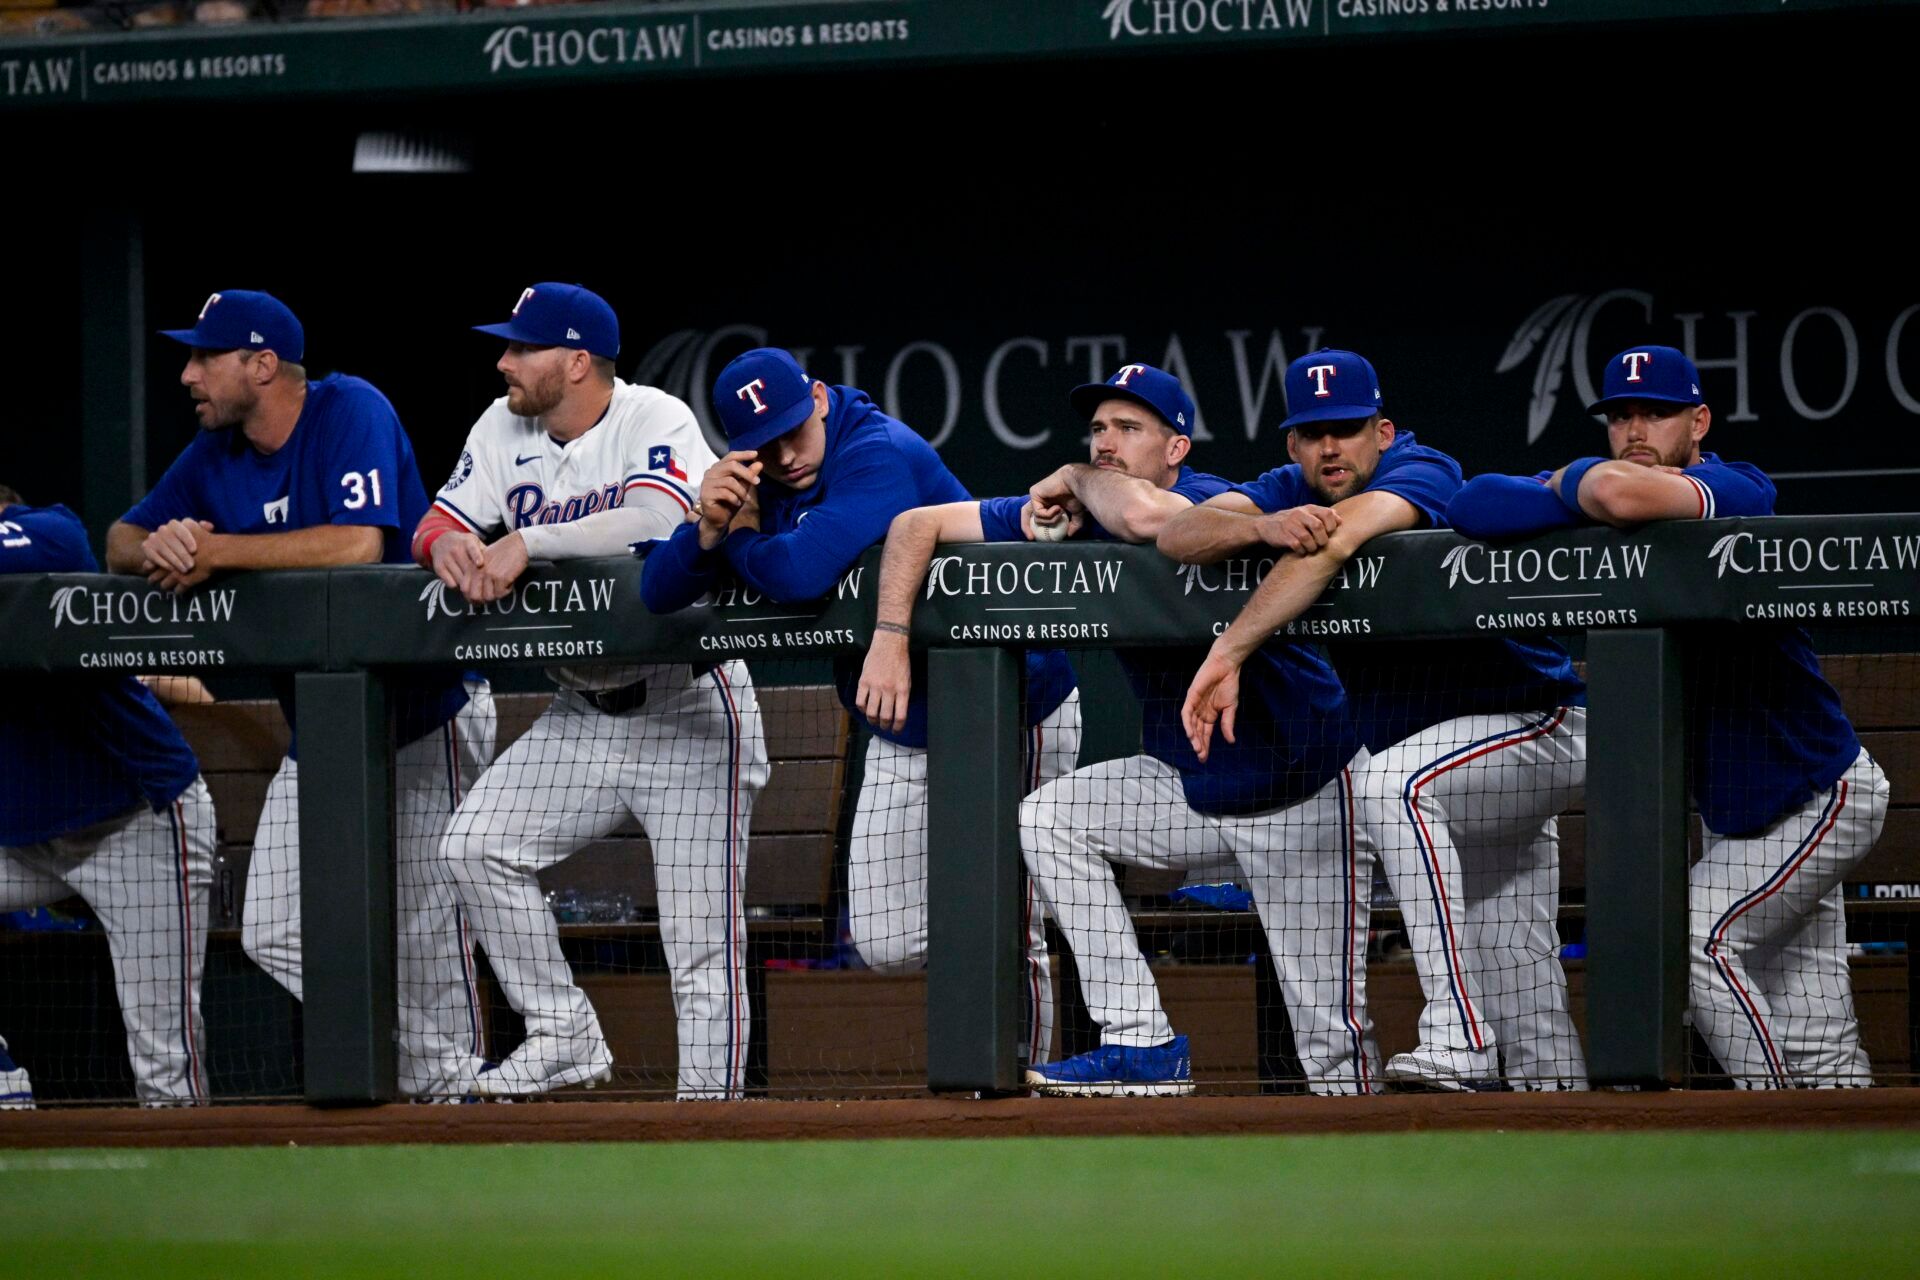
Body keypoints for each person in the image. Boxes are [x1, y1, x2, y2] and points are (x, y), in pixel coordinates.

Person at [1449, 344, 1889, 1088]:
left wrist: (1566, 483)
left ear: (1699, 421)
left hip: (1819, 792)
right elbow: (1471, 503)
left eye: (1656, 412)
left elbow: (1624, 498)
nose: (1636, 428)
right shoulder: (1602, 493)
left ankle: (1763, 1115)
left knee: (1693, 941)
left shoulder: (1739, 486)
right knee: (1819, 1032)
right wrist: (1584, 487)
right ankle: (1824, 1150)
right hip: (1738, 815)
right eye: (1620, 416)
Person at [1162, 349, 1590, 1092]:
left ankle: (1456, 1033)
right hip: (1464, 774)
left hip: (1535, 721)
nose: (1332, 447)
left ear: (1383, 432)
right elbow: (1180, 536)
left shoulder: (1423, 469)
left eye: (1350, 429)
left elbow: (1334, 539)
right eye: (1314, 432)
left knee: (1393, 784)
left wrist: (1229, 650)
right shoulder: (1284, 490)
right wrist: (1263, 528)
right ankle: (1575, 1145)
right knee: (1526, 993)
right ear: (1293, 445)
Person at [641, 347, 1080, 1066]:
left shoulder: (877, 450)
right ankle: (995, 942)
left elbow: (801, 573)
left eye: (793, 431)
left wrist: (745, 537)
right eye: (763, 444)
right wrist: (707, 529)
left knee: (1017, 922)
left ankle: (1013, 1092)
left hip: (1010, 704)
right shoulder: (752, 476)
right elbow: (656, 594)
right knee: (881, 936)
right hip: (904, 720)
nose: (784, 457)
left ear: (818, 397)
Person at [855, 363, 1286, 1095]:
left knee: (1332, 1043)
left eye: (1128, 428)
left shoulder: (1213, 499)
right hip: (1196, 791)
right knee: (1049, 817)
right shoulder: (1080, 508)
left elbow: (1151, 520)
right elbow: (916, 524)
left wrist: (1073, 475)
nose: (1105, 442)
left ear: (1177, 447)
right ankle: (1142, 1042)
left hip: (1296, 793)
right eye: (1097, 430)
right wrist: (892, 631)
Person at [105, 290, 493, 1099]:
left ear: (262, 364)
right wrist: (165, 542)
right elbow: (118, 541)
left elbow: (360, 544)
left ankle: (456, 1122)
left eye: (203, 357)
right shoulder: (214, 453)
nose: (186, 375)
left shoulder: (349, 408)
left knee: (429, 941)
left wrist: (221, 552)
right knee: (273, 928)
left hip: (427, 713)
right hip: (323, 729)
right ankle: (445, 1078)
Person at [416, 283, 767, 1099]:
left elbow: (656, 519)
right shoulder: (502, 425)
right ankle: (564, 1034)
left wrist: (527, 541)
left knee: (699, 940)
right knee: (475, 847)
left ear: (576, 361)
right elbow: (437, 518)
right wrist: (449, 549)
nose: (503, 361)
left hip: (686, 705)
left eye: (520, 347)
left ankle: (709, 1118)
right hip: (579, 713)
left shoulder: (654, 415)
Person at [2, 485, 217, 1105]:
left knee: (163, 1062)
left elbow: (55, 542)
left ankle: (189, 1185)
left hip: (137, 826)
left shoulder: (48, 528)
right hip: (28, 847)